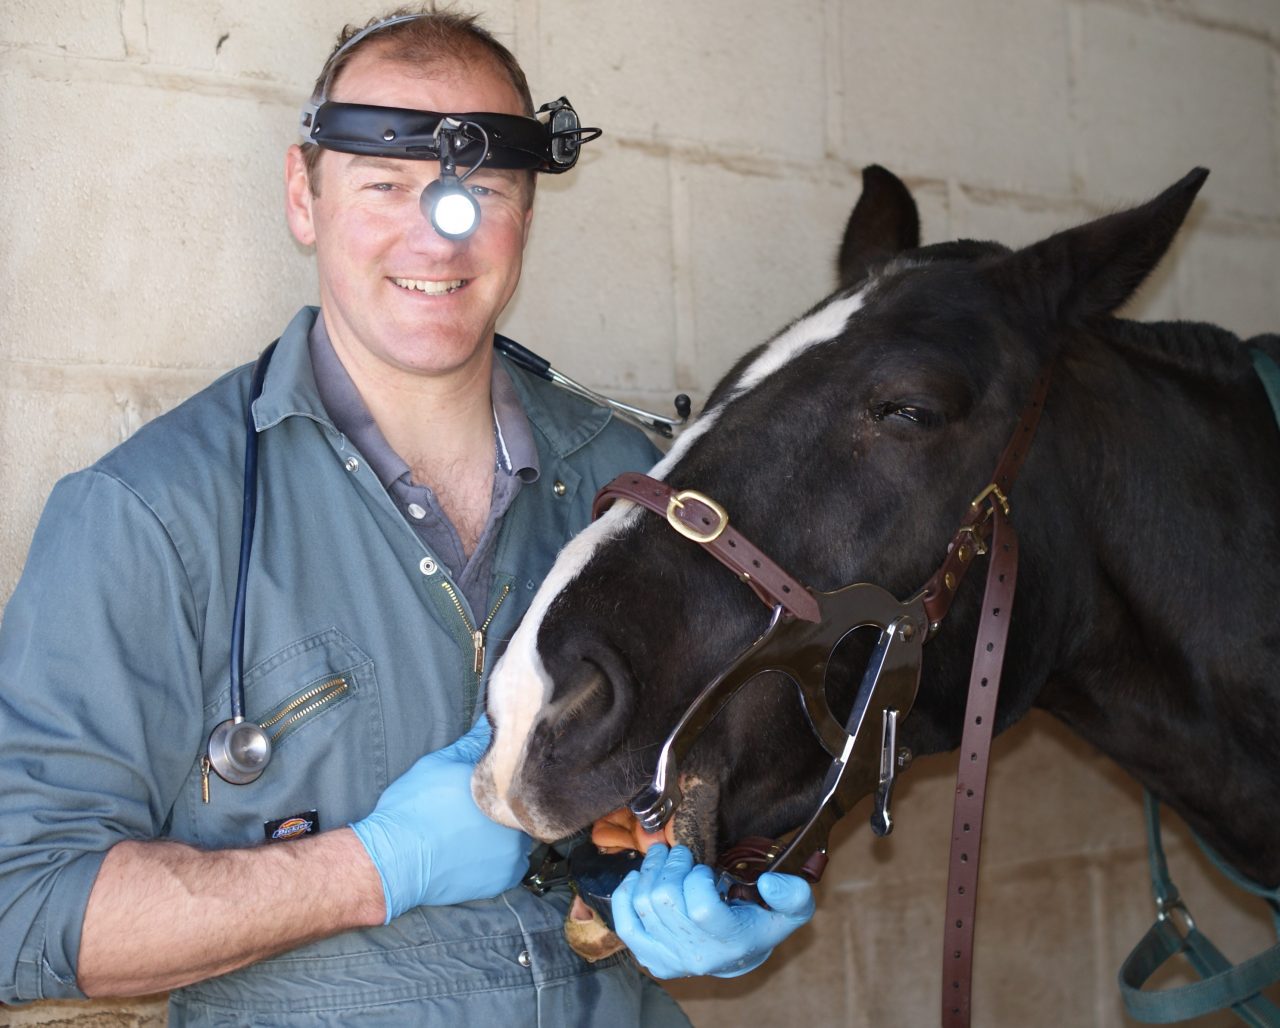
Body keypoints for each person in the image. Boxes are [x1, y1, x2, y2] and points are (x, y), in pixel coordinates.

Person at [0, 7, 813, 1024]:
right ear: (303, 195)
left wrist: (721, 869)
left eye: (484, 190)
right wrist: (369, 869)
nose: (440, 229)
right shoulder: (150, 516)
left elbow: (725, 764)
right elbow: (21, 908)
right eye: (386, 184)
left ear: (526, 209)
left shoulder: (630, 484)